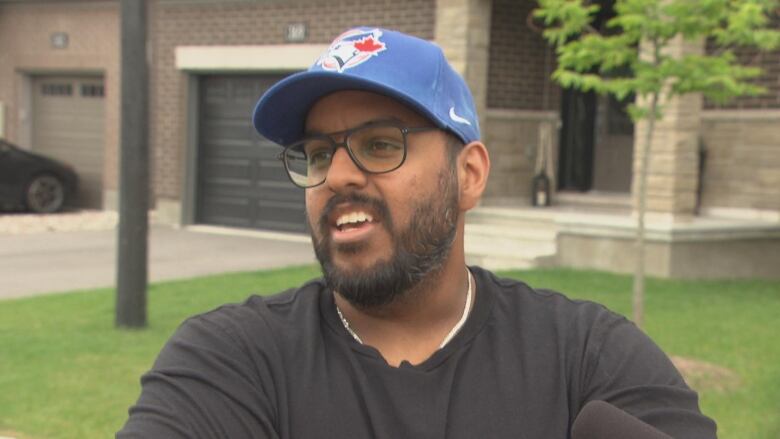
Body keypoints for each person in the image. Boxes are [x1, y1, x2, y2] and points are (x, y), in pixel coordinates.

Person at [117, 27, 717, 438]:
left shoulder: (586, 358)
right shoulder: (234, 360)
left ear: (470, 174)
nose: (339, 176)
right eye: (318, 153)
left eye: (381, 144)